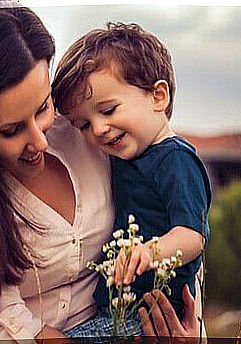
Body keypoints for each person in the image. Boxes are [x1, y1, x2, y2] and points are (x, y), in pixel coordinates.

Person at [0, 6, 203, 342]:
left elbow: (178, 225)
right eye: (11, 130)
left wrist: (191, 328)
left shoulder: (86, 126)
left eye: (42, 107)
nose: (40, 140)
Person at [52, 22, 211, 336]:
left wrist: (148, 252)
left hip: (152, 314)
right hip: (119, 308)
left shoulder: (176, 159)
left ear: (158, 96)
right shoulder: (124, 155)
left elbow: (193, 236)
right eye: (83, 124)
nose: (97, 129)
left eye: (108, 110)